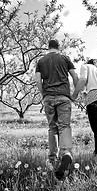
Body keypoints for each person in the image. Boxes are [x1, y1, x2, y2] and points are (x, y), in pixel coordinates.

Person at [35, 39, 78, 180]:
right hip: (63, 97)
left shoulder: (41, 61)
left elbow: (37, 81)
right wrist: (75, 94)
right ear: (59, 47)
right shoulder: (65, 58)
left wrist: (44, 95)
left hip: (48, 97)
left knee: (52, 128)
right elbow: (75, 77)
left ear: (48, 47)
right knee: (64, 126)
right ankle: (65, 153)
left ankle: (53, 159)